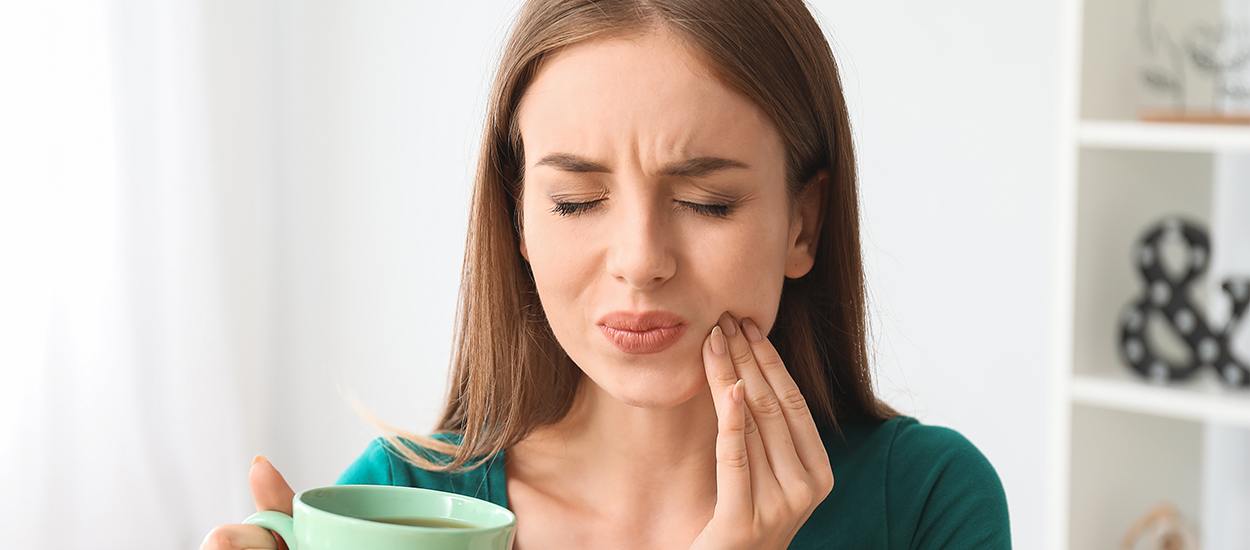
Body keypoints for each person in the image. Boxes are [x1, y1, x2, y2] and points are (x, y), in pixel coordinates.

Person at [201, 1, 1011, 548]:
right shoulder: (407, 501)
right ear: (517, 216)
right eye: (578, 201)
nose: (639, 262)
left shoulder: (928, 504)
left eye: (706, 202)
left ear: (803, 223)